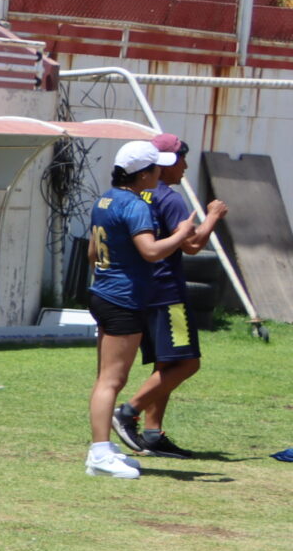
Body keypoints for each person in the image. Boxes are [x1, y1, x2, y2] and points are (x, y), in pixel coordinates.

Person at [85, 140, 223, 480]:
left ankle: (104, 449)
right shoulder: (136, 205)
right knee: (112, 381)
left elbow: (92, 254)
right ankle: (100, 452)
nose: (161, 173)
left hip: (103, 293)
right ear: (144, 174)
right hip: (125, 299)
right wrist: (182, 233)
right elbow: (150, 251)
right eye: (156, 168)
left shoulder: (105, 199)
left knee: (106, 379)